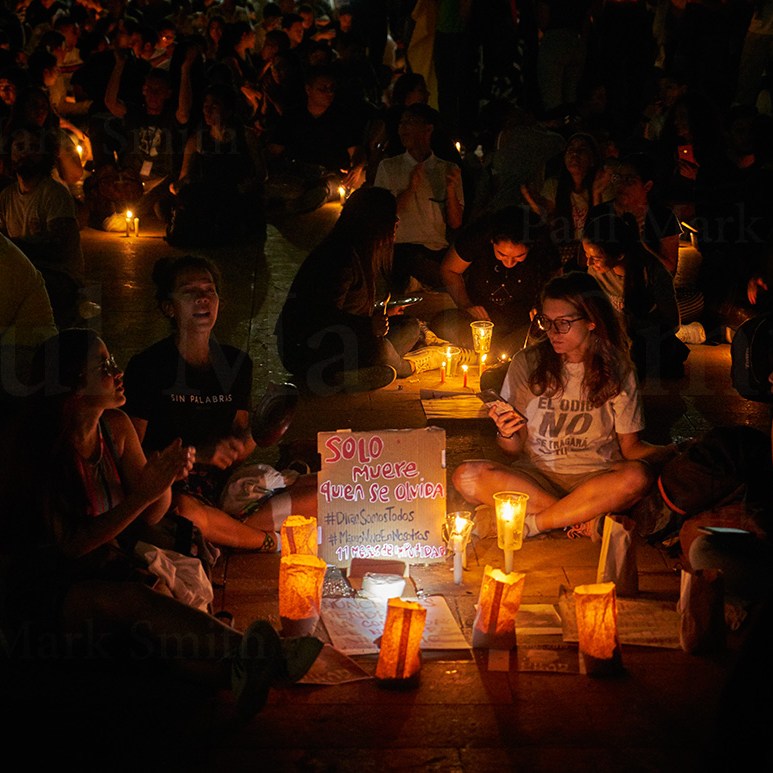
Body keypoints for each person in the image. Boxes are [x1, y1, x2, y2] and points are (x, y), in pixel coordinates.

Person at [0, 328, 320, 720]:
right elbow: (69, 547)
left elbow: (149, 515)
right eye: (104, 366)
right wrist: (143, 493)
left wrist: (161, 483)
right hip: (47, 585)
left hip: (105, 565)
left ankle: (245, 671)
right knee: (138, 606)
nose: (118, 372)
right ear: (74, 383)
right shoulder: (40, 447)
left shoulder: (114, 427)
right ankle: (265, 655)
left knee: (149, 640)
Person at [452, 271, 669, 537]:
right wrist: (506, 432)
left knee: (637, 478)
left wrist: (671, 452)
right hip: (536, 480)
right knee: (465, 476)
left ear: (591, 321)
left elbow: (630, 448)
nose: (553, 332)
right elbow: (512, 449)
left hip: (595, 480)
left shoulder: (617, 368)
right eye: (547, 321)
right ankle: (579, 517)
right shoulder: (527, 363)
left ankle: (535, 524)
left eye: (564, 323)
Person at [124, 255, 317, 551]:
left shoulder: (236, 363)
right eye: (190, 291)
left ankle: (229, 530)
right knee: (184, 512)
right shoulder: (148, 367)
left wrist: (261, 427)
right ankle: (265, 540)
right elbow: (130, 457)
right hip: (172, 492)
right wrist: (198, 455)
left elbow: (238, 449)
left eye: (209, 290)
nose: (203, 298)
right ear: (168, 307)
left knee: (327, 489)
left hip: (228, 492)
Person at [275, 187, 425, 394]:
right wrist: (368, 325)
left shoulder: (360, 251)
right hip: (310, 352)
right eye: (391, 218)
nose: (396, 223)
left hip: (346, 342)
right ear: (373, 221)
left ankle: (352, 374)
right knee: (380, 349)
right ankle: (403, 367)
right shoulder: (339, 258)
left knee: (410, 326)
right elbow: (320, 318)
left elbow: (350, 308)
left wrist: (379, 314)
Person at [432, 205, 561, 355]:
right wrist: (466, 304)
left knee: (521, 344)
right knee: (443, 325)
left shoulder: (542, 243)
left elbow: (557, 279)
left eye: (519, 257)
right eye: (502, 254)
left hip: (521, 323)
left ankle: (494, 354)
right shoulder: (478, 235)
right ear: (492, 240)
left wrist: (543, 305)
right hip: (479, 321)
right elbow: (449, 269)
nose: (509, 263)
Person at [583, 213, 686, 380]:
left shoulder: (653, 273)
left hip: (644, 343)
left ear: (619, 255)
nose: (589, 263)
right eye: (586, 256)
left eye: (595, 258)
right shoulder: (595, 272)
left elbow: (672, 321)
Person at [373, 102, 464, 293]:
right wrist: (410, 189)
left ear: (428, 128)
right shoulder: (389, 167)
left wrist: (450, 191)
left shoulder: (448, 169)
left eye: (409, 123)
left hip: (435, 250)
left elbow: (455, 222)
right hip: (401, 250)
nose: (402, 129)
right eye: (401, 123)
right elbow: (381, 216)